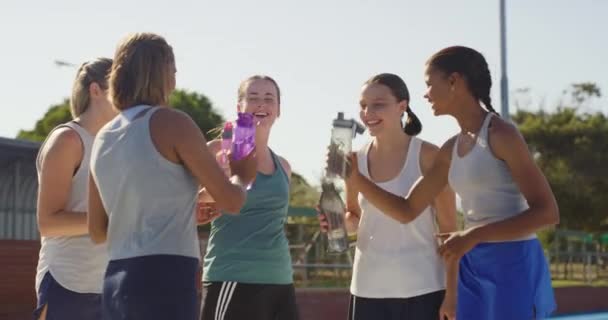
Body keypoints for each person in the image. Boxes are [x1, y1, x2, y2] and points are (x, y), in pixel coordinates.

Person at [339, 46, 558, 320]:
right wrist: (357, 180)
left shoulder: (502, 134)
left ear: (454, 82)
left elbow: (548, 213)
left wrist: (473, 235)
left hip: (514, 262)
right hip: (472, 265)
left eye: (430, 84)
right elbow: (406, 211)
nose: (426, 93)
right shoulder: (450, 149)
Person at [87, 33, 256, 320]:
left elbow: (98, 230)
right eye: (173, 70)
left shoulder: (103, 137)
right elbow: (232, 201)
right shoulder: (173, 123)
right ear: (161, 74)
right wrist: (242, 170)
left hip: (116, 280)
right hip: (165, 278)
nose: (176, 79)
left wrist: (177, 211)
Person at [319, 73, 458, 320]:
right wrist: (337, 221)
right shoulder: (355, 159)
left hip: (425, 289)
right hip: (367, 289)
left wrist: (453, 295)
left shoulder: (429, 156)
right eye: (363, 105)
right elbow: (355, 217)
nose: (368, 112)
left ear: (402, 107)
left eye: (378, 104)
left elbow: (449, 232)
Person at [200, 75, 299, 320]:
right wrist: (225, 179)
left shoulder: (284, 166)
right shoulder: (217, 151)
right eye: (253, 98)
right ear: (239, 107)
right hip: (232, 275)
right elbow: (188, 203)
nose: (261, 104)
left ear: (278, 109)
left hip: (280, 279)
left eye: (269, 99)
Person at [33, 58, 115, 320]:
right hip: (66, 283)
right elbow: (48, 222)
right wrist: (113, 221)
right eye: (121, 87)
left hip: (109, 286)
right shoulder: (68, 139)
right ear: (96, 90)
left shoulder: (116, 144)